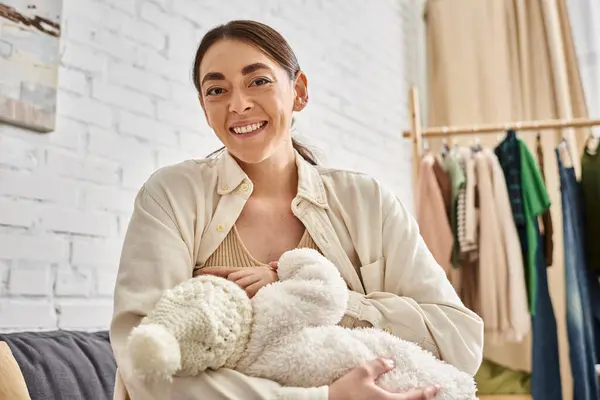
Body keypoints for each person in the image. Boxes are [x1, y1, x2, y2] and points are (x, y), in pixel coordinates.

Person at [109, 19, 484, 400]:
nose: (238, 104)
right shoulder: (171, 195)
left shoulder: (367, 201)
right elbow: (144, 360)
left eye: (258, 81)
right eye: (217, 90)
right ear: (205, 109)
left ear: (299, 92)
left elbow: (460, 339)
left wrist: (306, 294)